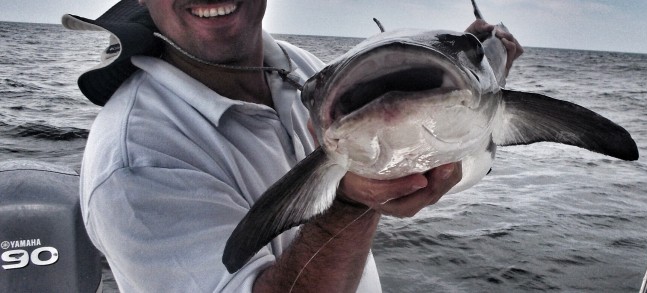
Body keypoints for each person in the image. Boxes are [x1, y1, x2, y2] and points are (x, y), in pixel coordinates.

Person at [64, 0, 523, 291]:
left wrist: (481, 86)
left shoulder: (303, 69)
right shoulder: (132, 165)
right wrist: (348, 203)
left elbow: (434, 152)